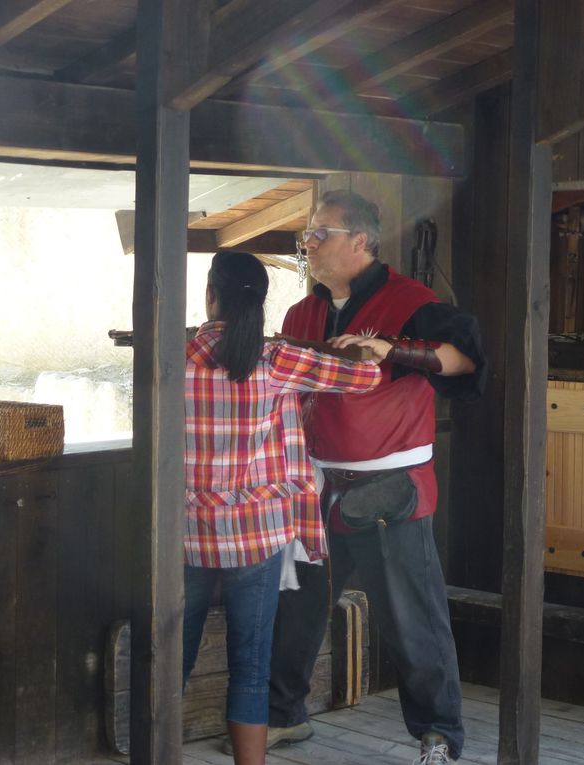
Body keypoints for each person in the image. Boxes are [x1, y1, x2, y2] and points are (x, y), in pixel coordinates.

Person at [263, 191, 486, 765]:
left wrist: (392, 348)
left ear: (360, 241)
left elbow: (465, 361)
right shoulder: (302, 313)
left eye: (320, 233)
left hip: (389, 488)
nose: (308, 244)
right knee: (297, 606)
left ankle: (439, 735)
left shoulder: (411, 301)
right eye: (307, 235)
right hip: (314, 485)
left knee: (412, 617)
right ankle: (284, 715)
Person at [183, 250, 381, 765]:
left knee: (170, 659)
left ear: (210, 295)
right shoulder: (278, 360)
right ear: (263, 302)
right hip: (258, 530)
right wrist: (362, 350)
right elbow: (366, 381)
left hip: (185, 529)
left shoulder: (177, 352)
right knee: (251, 664)